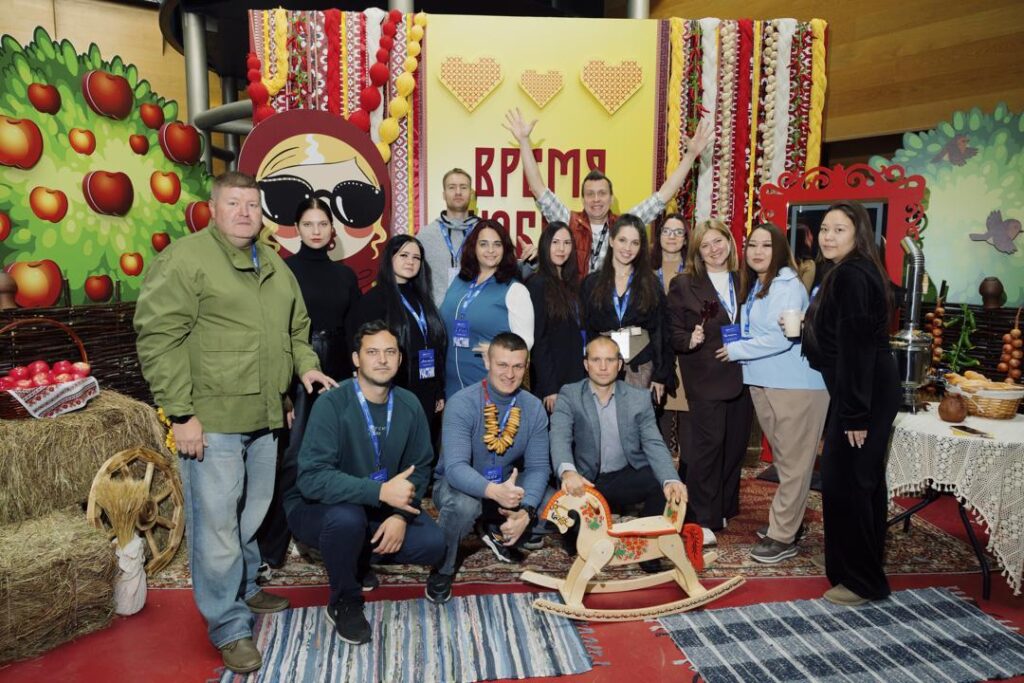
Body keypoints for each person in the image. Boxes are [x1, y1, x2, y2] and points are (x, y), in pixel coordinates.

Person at [133, 171, 335, 674]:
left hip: (265, 416)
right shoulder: (186, 260)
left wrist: (304, 368)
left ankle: (244, 587)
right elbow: (158, 339)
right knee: (218, 525)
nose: (245, 213)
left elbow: (296, 330)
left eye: (252, 205)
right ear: (213, 208)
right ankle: (228, 625)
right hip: (212, 420)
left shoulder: (273, 263)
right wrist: (181, 414)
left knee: (251, 513)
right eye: (234, 203)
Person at [285, 321, 445, 644]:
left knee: (434, 543)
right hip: (321, 507)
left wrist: (400, 515)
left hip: (379, 506)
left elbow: (420, 468)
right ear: (356, 359)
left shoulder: (410, 404)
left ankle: (354, 557)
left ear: (400, 359)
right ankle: (344, 600)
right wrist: (381, 491)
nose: (382, 360)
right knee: (347, 520)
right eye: (372, 352)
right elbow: (312, 480)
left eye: (390, 352)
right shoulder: (332, 403)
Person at [802, 201, 900, 606]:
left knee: (850, 484)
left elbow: (857, 347)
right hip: (862, 389)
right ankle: (856, 570)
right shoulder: (846, 270)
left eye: (839, 229)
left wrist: (856, 413)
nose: (828, 236)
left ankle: (862, 582)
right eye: (825, 229)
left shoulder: (852, 275)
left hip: (864, 393)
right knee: (858, 481)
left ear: (858, 234)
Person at [257, 197, 362, 574]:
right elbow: (277, 331)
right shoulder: (283, 271)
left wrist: (358, 379)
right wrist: (284, 392)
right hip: (299, 370)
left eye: (322, 224)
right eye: (308, 224)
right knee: (294, 458)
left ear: (333, 229)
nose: (316, 231)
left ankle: (328, 534)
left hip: (340, 369)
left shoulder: (346, 276)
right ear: (296, 229)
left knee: (339, 455)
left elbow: (354, 330)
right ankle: (273, 546)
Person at [713, 223, 829, 564]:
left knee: (793, 465)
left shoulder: (786, 285)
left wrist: (736, 351)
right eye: (752, 245)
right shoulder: (758, 285)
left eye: (766, 245)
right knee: (786, 461)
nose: (758, 251)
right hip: (765, 382)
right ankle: (790, 523)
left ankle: (782, 536)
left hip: (795, 386)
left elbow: (782, 337)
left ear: (779, 250)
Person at [503, 108, 712, 275]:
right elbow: (538, 189)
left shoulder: (623, 226)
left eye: (602, 193)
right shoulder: (569, 221)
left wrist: (691, 155)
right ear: (582, 199)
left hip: (611, 308)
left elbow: (662, 197)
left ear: (611, 198)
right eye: (590, 194)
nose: (596, 199)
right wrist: (524, 141)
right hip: (574, 306)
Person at [427, 333, 550, 604]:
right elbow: (455, 468)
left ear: (526, 366)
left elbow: (539, 467)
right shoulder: (462, 403)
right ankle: (443, 568)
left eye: (518, 366)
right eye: (502, 365)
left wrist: (526, 511)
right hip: (459, 487)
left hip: (507, 487)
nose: (510, 374)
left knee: (559, 507)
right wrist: (495, 492)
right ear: (487, 362)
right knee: (464, 506)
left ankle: (495, 526)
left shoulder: (533, 407)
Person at [550, 336, 687, 547]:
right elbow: (559, 436)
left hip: (624, 477)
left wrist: (670, 479)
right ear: (586, 364)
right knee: (575, 545)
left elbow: (653, 442)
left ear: (620, 364)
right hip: (585, 481)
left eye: (610, 360)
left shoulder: (638, 398)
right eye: (596, 360)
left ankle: (648, 550)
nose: (603, 367)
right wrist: (568, 472)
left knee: (659, 480)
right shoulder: (570, 394)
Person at [667, 218, 754, 547]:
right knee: (708, 448)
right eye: (705, 245)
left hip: (744, 375)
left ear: (729, 243)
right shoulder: (684, 284)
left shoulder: (744, 279)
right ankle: (700, 517)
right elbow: (672, 332)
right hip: (706, 377)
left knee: (735, 446)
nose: (714, 249)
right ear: (697, 252)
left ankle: (724, 509)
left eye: (718, 241)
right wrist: (689, 339)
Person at [347, 235, 448, 446]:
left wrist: (438, 390)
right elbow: (360, 350)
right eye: (403, 255)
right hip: (394, 390)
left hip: (426, 389)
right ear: (389, 258)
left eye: (416, 257)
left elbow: (435, 346)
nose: (410, 261)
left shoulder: (423, 299)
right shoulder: (373, 300)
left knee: (424, 449)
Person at [580, 214, 674, 403]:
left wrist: (659, 375)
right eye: (622, 240)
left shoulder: (651, 283)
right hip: (602, 368)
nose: (627, 248)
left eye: (635, 243)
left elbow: (661, 332)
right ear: (612, 241)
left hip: (641, 369)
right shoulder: (591, 283)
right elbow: (585, 330)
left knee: (637, 419)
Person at [439, 220, 534, 398]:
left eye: (497, 244)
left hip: (489, 388)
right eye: (484, 244)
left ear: (505, 249)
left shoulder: (515, 290)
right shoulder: (459, 281)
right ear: (473, 247)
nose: (490, 250)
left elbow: (525, 341)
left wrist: (498, 349)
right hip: (451, 388)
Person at [525, 221, 586, 413]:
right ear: (545, 245)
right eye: (555, 242)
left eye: (567, 243)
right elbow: (539, 340)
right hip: (552, 385)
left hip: (576, 376)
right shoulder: (537, 284)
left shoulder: (572, 284)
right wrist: (550, 387)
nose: (561, 249)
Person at [651, 213, 693, 468]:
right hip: (656, 354)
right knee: (660, 418)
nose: (672, 237)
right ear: (659, 236)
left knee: (689, 421)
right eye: (667, 231)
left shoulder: (694, 272)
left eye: (678, 232)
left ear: (686, 239)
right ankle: (663, 476)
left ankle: (688, 477)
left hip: (687, 354)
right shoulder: (645, 271)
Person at [417, 168, 480, 306]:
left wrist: (526, 263)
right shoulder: (426, 235)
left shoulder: (484, 232)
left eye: (463, 187)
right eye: (452, 187)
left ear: (471, 193)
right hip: (437, 315)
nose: (458, 192)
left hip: (476, 314)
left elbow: (505, 271)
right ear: (444, 194)